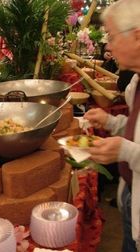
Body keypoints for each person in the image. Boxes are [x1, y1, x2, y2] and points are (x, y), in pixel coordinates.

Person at [83, 0, 140, 251]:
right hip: (131, 192)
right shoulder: (135, 82)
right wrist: (112, 122)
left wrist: (125, 151)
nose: (108, 45)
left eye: (112, 36)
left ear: (138, 36)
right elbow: (136, 127)